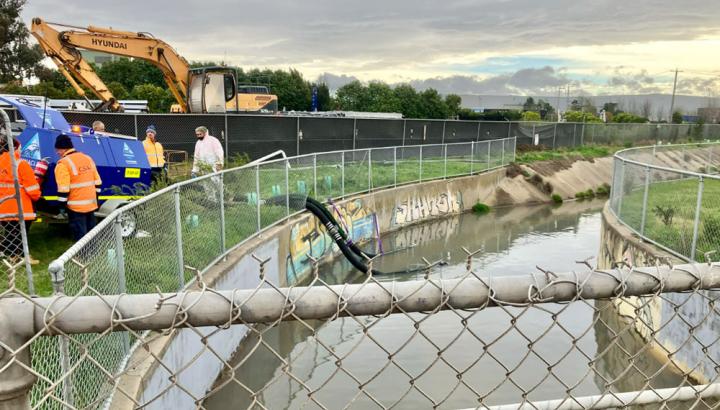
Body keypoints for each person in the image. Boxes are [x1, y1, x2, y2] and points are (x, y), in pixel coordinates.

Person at [54, 134, 102, 241]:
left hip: (75, 207)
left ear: (62, 149)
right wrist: (95, 198)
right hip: (91, 204)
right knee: (91, 233)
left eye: (57, 150)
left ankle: (82, 257)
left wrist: (61, 207)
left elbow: (63, 189)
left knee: (80, 235)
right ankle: (92, 254)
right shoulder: (87, 158)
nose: (57, 153)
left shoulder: (63, 164)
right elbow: (98, 182)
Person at [0, 138, 41, 264]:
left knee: (13, 234)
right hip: (20, 207)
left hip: (3, 208)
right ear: (16, 148)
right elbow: (32, 189)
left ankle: (14, 256)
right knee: (21, 234)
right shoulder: (20, 164)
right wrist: (37, 197)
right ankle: (21, 257)